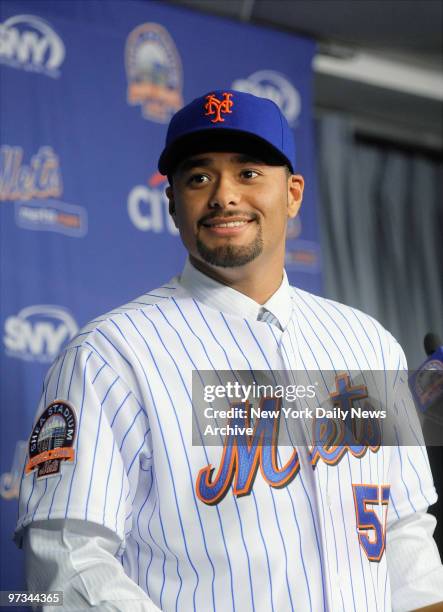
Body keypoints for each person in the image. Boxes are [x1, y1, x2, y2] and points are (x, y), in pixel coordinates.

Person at [15, 90, 443, 611]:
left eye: (248, 172)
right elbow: (68, 560)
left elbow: (402, 529)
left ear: (293, 194)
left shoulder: (366, 343)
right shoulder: (112, 354)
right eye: (198, 178)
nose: (224, 195)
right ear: (172, 202)